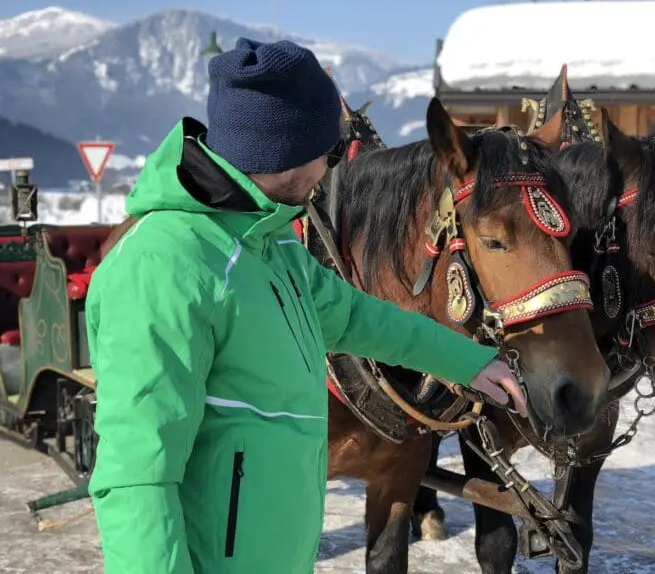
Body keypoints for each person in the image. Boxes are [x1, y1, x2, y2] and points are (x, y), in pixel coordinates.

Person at [85, 37, 527, 574]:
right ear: (284, 151)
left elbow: (362, 318)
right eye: (333, 151)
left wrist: (470, 361)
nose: (334, 166)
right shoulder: (164, 265)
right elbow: (137, 475)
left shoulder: (270, 244)